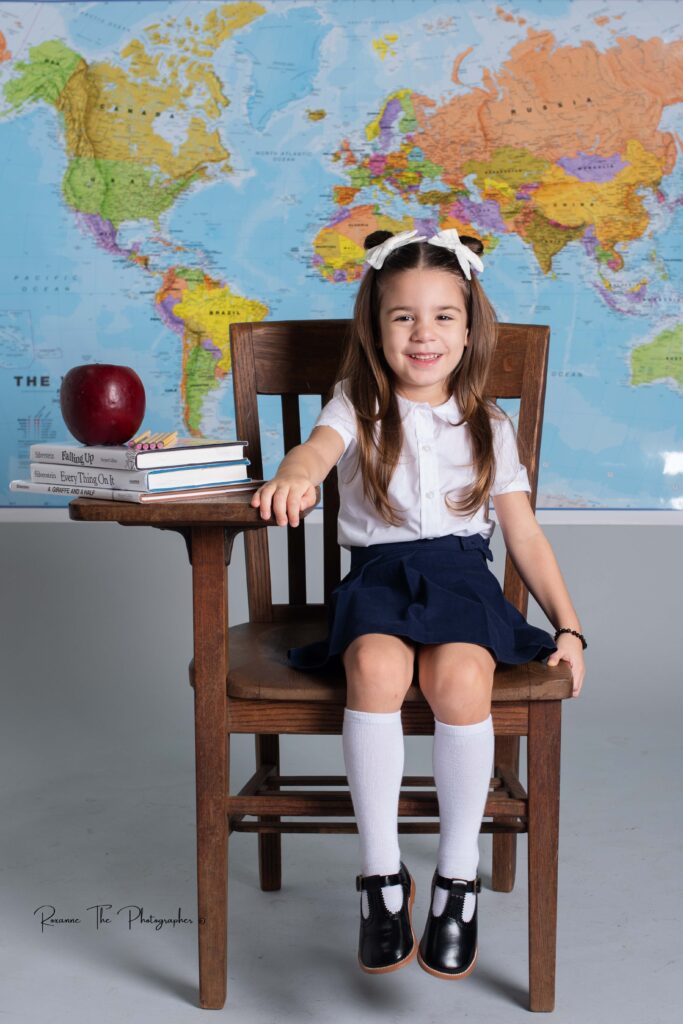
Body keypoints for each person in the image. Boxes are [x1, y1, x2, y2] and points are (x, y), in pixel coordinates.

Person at [249, 226, 587, 981]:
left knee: (461, 679)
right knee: (372, 665)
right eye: (402, 316)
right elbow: (315, 452)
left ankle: (456, 880)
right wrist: (294, 475)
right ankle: (379, 877)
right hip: (376, 578)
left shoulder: (487, 425)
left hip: (462, 578)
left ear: (469, 331)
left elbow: (524, 536)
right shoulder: (355, 405)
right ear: (375, 327)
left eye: (442, 315)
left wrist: (568, 627)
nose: (423, 333)